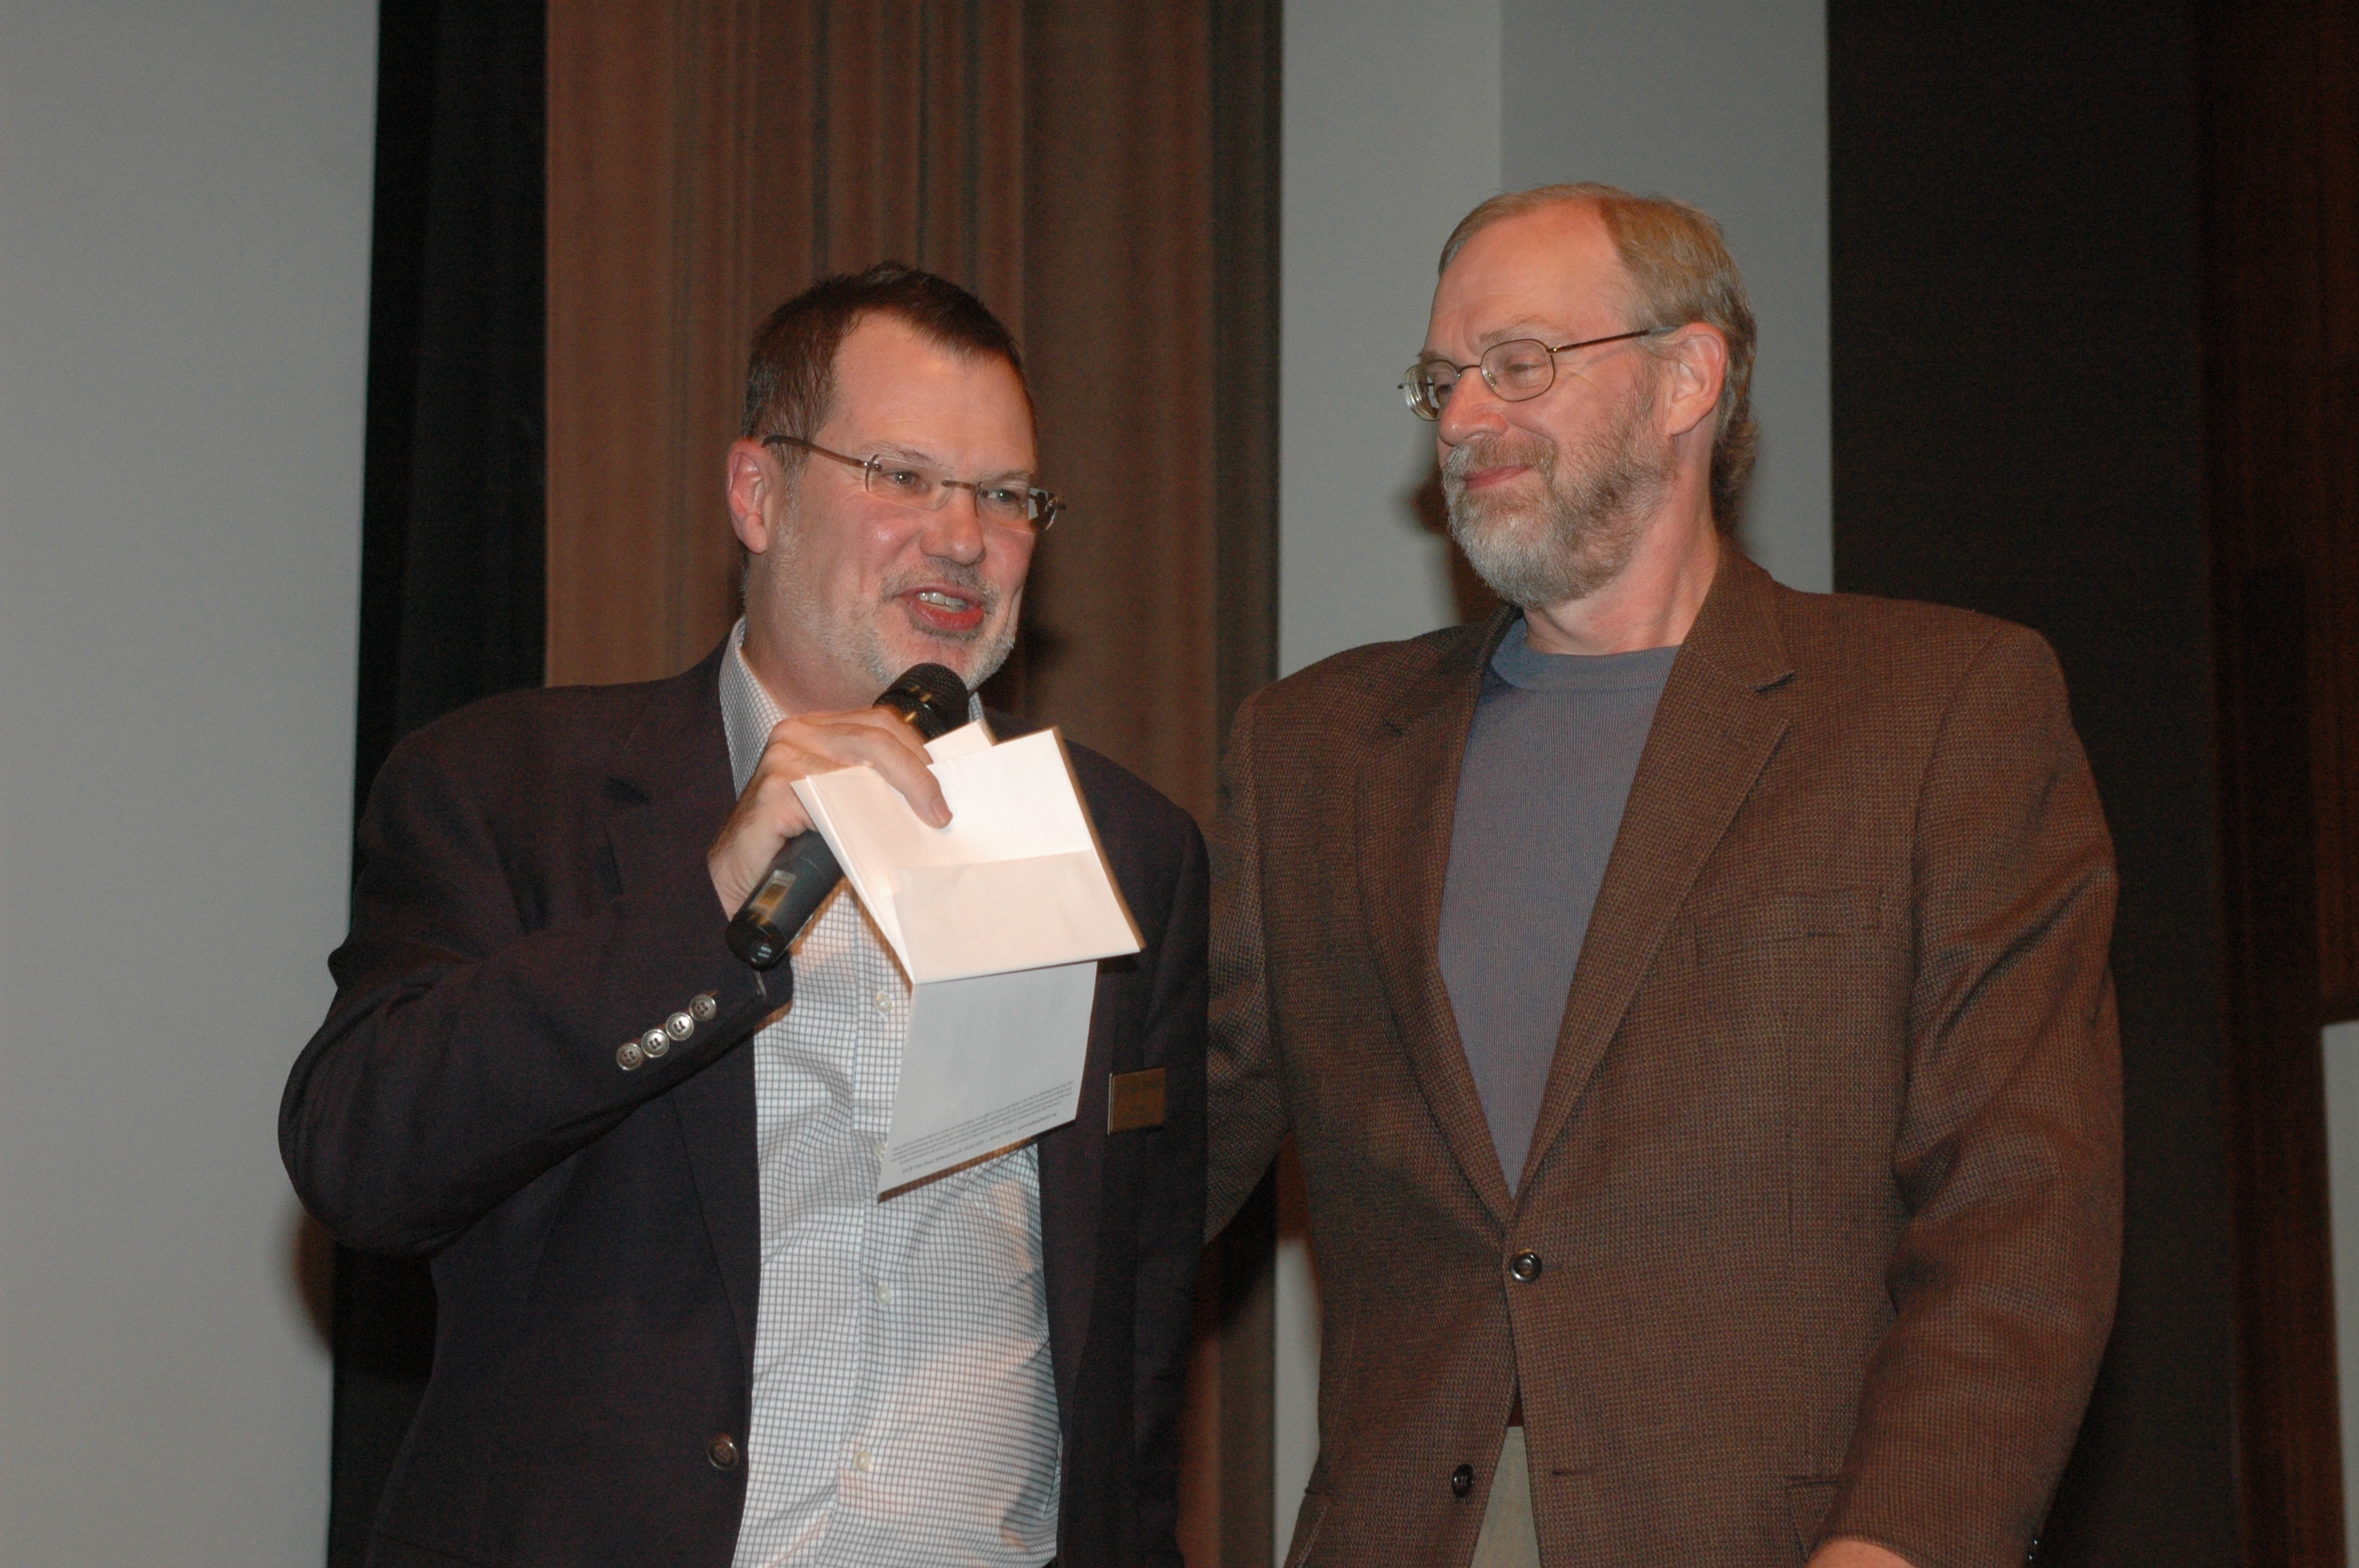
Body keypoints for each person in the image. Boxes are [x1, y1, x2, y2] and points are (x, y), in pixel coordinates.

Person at [1205, 184, 2121, 1568]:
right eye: (1442, 380)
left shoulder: (1939, 709)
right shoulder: (1313, 755)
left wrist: (1899, 1548)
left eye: (1517, 366)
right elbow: (1148, 1166)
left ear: (1689, 376)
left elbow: (2021, 1213)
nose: (1459, 420)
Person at [283, 264, 1207, 1568]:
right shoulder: (510, 790)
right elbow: (362, 1158)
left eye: (1006, 496)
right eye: (902, 474)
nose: (963, 536)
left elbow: (1138, 1329)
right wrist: (710, 901)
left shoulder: (1131, 850)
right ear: (757, 493)